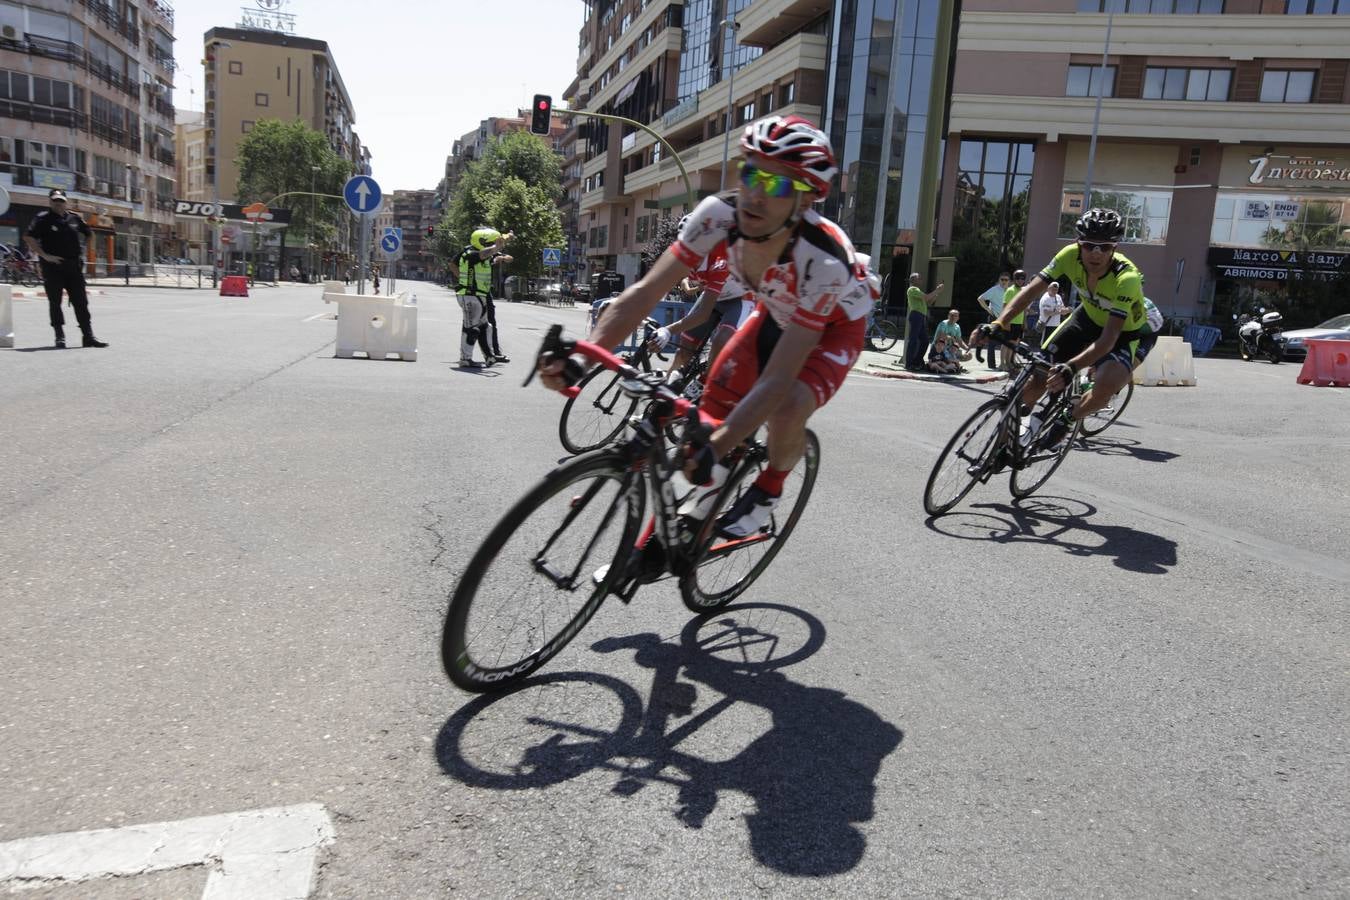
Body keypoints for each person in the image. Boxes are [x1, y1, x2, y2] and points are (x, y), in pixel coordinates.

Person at [540, 115, 869, 539]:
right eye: (751, 174)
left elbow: (778, 378)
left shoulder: (824, 261)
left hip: (832, 330)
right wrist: (584, 358)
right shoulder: (717, 215)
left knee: (787, 407)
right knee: (705, 428)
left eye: (776, 185)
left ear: (805, 200)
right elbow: (644, 293)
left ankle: (770, 487)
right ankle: (663, 541)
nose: (755, 194)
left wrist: (720, 444)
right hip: (773, 312)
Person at [975, 207, 1152, 450]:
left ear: (1115, 248)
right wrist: (998, 323)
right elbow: (1030, 293)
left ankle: (1067, 419)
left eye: (1104, 247)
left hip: (1121, 334)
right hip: (1086, 320)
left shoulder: (1127, 278)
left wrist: (1071, 367)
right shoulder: (1069, 255)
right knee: (1036, 378)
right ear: (1079, 243)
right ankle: (1001, 450)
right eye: (1089, 245)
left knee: (1105, 386)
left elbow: (1108, 339)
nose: (1096, 253)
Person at [646, 214, 752, 385]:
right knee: (684, 351)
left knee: (721, 340)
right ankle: (665, 392)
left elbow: (703, 314)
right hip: (714, 297)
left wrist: (667, 330)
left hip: (740, 298)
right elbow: (656, 282)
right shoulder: (684, 257)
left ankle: (704, 384)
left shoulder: (719, 260)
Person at [23, 189, 106, 349]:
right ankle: (59, 336)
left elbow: (89, 233)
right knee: (55, 302)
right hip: (53, 267)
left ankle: (88, 336)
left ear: (66, 202)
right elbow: (28, 236)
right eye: (55, 200)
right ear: (50, 201)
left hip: (74, 267)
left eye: (61, 200)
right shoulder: (42, 219)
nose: (58, 203)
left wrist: (87, 250)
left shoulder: (74, 218)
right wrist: (45, 255)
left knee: (81, 302)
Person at [451, 226, 514, 367]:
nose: (491, 245)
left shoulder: (485, 258)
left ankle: (489, 356)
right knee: (471, 329)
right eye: (489, 242)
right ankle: (465, 358)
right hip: (469, 295)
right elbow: (486, 253)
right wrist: (496, 247)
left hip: (480, 295)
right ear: (481, 242)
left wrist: (505, 241)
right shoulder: (470, 254)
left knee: (486, 327)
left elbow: (493, 257)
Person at [903, 273, 944, 371]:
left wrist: (937, 293)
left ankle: (917, 362)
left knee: (925, 341)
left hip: (921, 317)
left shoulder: (918, 291)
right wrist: (937, 290)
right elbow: (926, 297)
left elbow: (929, 301)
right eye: (919, 278)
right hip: (916, 315)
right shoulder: (912, 289)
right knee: (913, 340)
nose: (921, 279)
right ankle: (909, 364)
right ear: (913, 280)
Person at [975, 273, 1009, 367]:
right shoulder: (994, 289)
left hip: (1006, 318)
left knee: (1008, 341)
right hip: (995, 318)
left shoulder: (1010, 290)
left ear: (1009, 281)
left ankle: (1006, 363)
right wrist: (988, 310)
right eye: (1002, 279)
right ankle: (991, 364)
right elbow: (980, 299)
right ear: (999, 280)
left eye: (1006, 280)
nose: (1004, 281)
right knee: (992, 342)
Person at [1001, 269, 1027, 371]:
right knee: (1005, 343)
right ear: (1014, 279)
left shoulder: (1023, 291)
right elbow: (1005, 307)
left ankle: (1008, 362)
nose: (1020, 280)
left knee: (1013, 344)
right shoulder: (1010, 290)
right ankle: (1002, 363)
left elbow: (1024, 308)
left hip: (1018, 322)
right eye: (1018, 278)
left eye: (1022, 279)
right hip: (1010, 321)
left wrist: (1024, 321)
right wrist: (1006, 321)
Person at [1036, 280, 1069, 347]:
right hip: (1046, 325)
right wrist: (1059, 312)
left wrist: (1067, 310)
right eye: (1053, 289)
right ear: (1048, 288)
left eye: (1056, 289)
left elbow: (1062, 308)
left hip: (1056, 325)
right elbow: (1046, 313)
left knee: (1051, 344)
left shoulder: (1058, 297)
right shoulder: (1046, 298)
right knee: (1044, 344)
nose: (1055, 291)